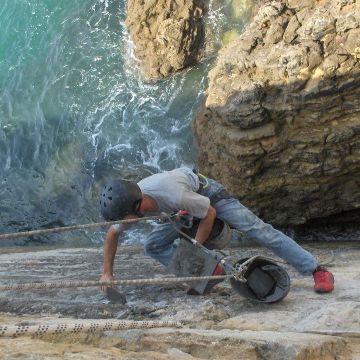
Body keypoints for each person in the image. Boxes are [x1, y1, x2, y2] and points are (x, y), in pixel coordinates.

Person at [99, 167, 334, 294]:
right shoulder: (129, 201)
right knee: (153, 245)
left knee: (258, 229)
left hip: (209, 195)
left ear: (136, 207)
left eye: (122, 218)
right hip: (183, 209)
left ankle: (316, 270)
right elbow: (112, 234)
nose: (121, 222)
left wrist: (196, 250)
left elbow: (209, 212)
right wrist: (106, 273)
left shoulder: (172, 193)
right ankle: (210, 272)